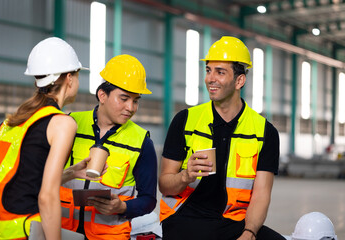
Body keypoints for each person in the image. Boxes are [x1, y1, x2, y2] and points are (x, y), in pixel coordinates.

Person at [159, 36, 285, 240]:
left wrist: (249, 232)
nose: (210, 78)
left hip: (234, 222)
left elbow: (261, 194)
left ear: (239, 80)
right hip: (184, 218)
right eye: (208, 70)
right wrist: (185, 176)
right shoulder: (185, 120)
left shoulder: (265, 132)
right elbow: (164, 185)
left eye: (220, 72)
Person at [0, 37, 95, 239]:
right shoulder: (63, 124)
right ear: (69, 78)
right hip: (25, 231)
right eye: (78, 76)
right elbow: (47, 196)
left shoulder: (12, 122)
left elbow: (21, 182)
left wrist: (70, 172)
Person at [60, 54, 158, 240]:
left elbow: (149, 200)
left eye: (136, 100)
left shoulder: (141, 142)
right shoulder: (71, 124)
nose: (131, 107)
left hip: (108, 236)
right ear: (102, 95)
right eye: (124, 98)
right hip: (63, 231)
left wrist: (123, 207)